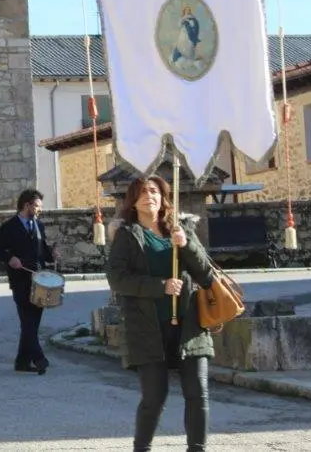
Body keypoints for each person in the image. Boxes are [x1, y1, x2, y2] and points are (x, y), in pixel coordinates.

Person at [107, 176, 215, 452]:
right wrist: (160, 287)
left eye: (154, 191)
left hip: (189, 326)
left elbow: (206, 275)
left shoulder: (181, 231)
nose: (149, 196)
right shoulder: (128, 236)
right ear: (133, 201)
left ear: (164, 198)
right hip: (148, 328)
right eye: (142, 192)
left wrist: (186, 245)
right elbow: (118, 279)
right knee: (154, 397)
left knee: (197, 393)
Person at [0, 188, 56, 374]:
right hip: (20, 281)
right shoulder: (9, 226)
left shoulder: (38, 225)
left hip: (39, 281)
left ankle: (21, 362)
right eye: (36, 206)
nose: (39, 210)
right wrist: (10, 258)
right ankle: (39, 358)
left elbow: (42, 250)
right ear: (26, 205)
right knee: (27, 321)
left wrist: (53, 255)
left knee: (33, 323)